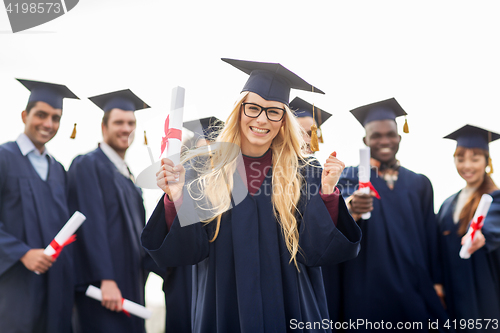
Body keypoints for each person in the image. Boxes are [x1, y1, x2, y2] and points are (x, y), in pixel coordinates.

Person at [141, 58, 362, 332]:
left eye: (273, 112)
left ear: (283, 121)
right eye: (253, 108)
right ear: (239, 110)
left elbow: (318, 252)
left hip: (292, 310)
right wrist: (176, 198)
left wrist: (328, 194)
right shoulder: (204, 169)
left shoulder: (305, 172)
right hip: (224, 308)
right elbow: (187, 251)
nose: (261, 119)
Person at [322, 98, 449, 331]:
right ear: (365, 140)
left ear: (399, 137)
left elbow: (431, 238)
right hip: (368, 290)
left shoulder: (419, 183)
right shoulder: (350, 176)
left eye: (390, 134)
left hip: (414, 287)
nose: (384, 141)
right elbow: (339, 212)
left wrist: (437, 283)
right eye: (376, 136)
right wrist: (351, 209)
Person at [68, 89, 151, 333]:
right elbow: (89, 224)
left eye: (131, 123)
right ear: (104, 127)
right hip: (103, 290)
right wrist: (106, 279)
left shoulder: (128, 175)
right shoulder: (88, 164)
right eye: (119, 122)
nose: (126, 129)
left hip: (130, 286)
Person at [0, 79, 79, 333]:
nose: (48, 124)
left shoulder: (59, 170)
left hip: (55, 287)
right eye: (41, 115)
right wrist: (23, 252)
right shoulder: (4, 158)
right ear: (25, 115)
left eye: (55, 118)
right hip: (14, 286)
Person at [437, 124, 500, 329]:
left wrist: (480, 237)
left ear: (487, 162)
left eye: (475, 159)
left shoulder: (495, 198)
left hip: (483, 292)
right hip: (452, 293)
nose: (467, 165)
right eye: (461, 158)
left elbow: (491, 226)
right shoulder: (448, 204)